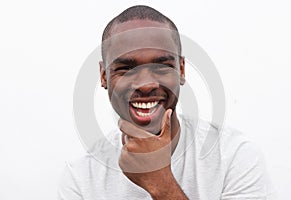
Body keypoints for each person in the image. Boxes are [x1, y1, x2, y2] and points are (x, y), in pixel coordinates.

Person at [58, 5, 274, 199]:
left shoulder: (235, 157)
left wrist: (161, 184)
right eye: (125, 69)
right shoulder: (80, 178)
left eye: (161, 66)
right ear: (104, 76)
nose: (145, 85)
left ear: (181, 70)